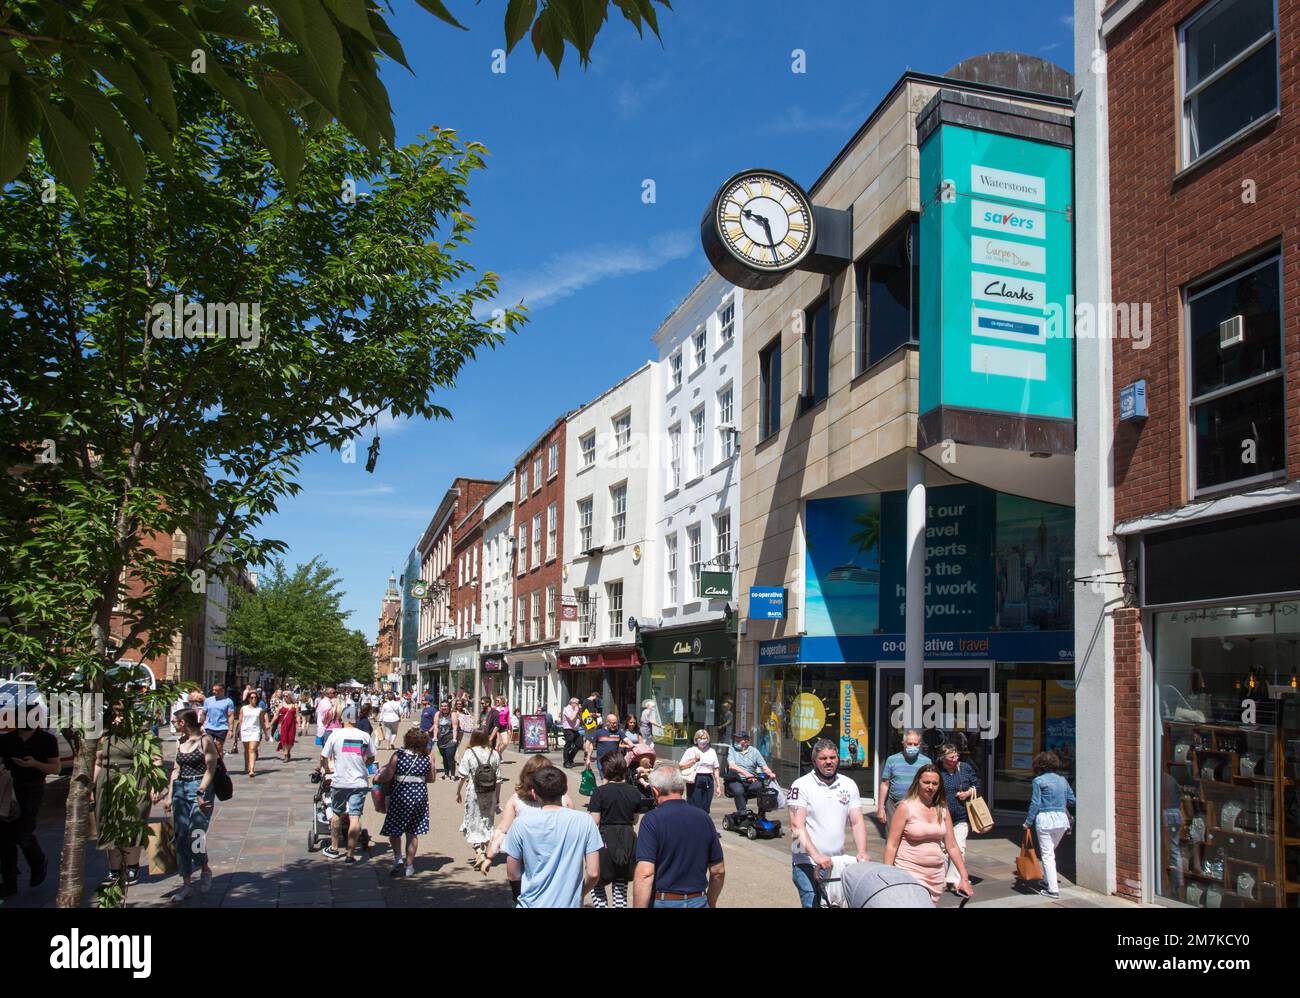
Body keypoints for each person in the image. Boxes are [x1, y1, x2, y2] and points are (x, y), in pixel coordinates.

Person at [502, 766, 603, 908]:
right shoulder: (585, 821)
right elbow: (593, 872)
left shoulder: (520, 824)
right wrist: (578, 894)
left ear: (534, 793)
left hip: (531, 902)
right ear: (564, 791)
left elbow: (513, 873)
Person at [788, 738, 869, 908]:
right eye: (823, 758)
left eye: (832, 757)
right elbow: (796, 827)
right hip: (806, 861)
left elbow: (857, 822)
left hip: (835, 862)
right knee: (812, 903)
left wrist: (862, 851)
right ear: (814, 761)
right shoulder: (800, 785)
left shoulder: (849, 784)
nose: (828, 762)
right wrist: (815, 855)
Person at [632, 766, 725, 908]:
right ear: (682, 789)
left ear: (655, 791)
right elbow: (718, 871)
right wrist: (711, 902)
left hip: (663, 900)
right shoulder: (704, 818)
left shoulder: (652, 820)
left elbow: (645, 874)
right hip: (698, 899)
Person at [482, 754, 574, 898]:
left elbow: (502, 830)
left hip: (527, 856)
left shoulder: (516, 800)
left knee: (526, 891)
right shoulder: (564, 800)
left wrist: (489, 857)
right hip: (555, 855)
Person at [93, 708, 163, 890]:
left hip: (135, 783)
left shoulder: (144, 734)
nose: (117, 719)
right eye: (114, 716)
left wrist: (156, 785)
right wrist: (89, 788)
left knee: (132, 822)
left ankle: (132, 866)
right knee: (109, 824)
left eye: (121, 715)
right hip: (108, 785)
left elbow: (156, 759)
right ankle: (114, 870)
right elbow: (98, 762)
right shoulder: (104, 735)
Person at [884, 764, 973, 905]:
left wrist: (963, 876)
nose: (930, 787)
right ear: (917, 782)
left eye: (934, 783)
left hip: (936, 876)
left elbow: (952, 845)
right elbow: (892, 845)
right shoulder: (905, 807)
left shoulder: (942, 808)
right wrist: (887, 875)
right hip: (909, 872)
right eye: (926, 782)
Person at [0, 708, 59, 897]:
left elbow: (56, 768)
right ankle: (9, 882)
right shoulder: (6, 739)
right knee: (5, 837)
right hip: (8, 788)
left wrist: (34, 764)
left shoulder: (47, 740)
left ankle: (38, 861)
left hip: (32, 788)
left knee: (23, 834)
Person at [164, 708, 220, 901]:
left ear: (183, 723)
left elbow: (211, 769)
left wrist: (200, 791)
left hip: (199, 787)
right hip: (180, 787)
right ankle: (186, 883)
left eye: (174, 721)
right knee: (180, 836)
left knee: (196, 833)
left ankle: (204, 868)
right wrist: (170, 794)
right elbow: (176, 769)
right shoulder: (180, 742)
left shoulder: (205, 741)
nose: (172, 724)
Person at [319, 705, 375, 862]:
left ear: (342, 719)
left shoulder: (335, 735)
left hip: (340, 781)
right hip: (359, 782)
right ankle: (350, 855)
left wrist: (325, 769)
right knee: (355, 816)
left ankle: (335, 848)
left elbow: (323, 757)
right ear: (355, 719)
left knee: (336, 813)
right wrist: (364, 763)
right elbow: (371, 757)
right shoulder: (364, 736)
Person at [587, 753, 643, 908]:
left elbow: (595, 821)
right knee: (621, 885)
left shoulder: (600, 792)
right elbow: (635, 819)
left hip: (604, 838)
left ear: (605, 771)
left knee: (598, 883)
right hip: (627, 838)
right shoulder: (633, 792)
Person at [379, 727, 433, 878]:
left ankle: (398, 859)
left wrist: (377, 778)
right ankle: (410, 866)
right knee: (412, 832)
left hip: (400, 796)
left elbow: (388, 775)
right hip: (420, 797)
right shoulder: (425, 758)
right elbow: (431, 778)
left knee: (394, 830)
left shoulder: (399, 755)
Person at [1025, 751, 1075, 899]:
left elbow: (1035, 803)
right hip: (1061, 821)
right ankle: (1047, 881)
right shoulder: (1062, 780)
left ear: (1039, 765)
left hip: (1045, 820)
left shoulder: (1038, 781)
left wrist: (1028, 822)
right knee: (1050, 852)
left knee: (1047, 855)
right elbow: (1072, 800)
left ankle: (1053, 889)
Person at [937, 743, 981, 891]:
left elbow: (977, 785)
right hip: (942, 815)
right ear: (943, 758)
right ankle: (940, 878)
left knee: (959, 847)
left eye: (956, 755)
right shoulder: (937, 771)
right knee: (942, 849)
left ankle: (954, 879)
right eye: (951, 757)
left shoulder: (965, 768)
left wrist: (967, 793)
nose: (955, 759)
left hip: (961, 815)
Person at [456, 730, 500, 870]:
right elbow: (498, 779)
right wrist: (497, 798)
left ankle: (479, 851)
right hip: (490, 792)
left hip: (474, 791)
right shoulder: (494, 753)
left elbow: (462, 775)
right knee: (487, 821)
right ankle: (486, 852)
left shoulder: (469, 753)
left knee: (472, 821)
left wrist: (458, 792)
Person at [877, 729, 931, 826]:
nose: (912, 747)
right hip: (894, 805)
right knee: (892, 837)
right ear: (903, 743)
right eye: (909, 744)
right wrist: (881, 808)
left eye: (915, 744)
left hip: (918, 806)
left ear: (920, 744)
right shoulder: (892, 760)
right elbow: (885, 784)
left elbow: (930, 785)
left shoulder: (926, 762)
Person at [724, 730, 776, 819]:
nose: (736, 740)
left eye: (739, 739)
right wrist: (746, 773)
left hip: (751, 780)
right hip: (735, 779)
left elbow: (764, 766)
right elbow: (732, 766)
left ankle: (761, 813)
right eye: (736, 738)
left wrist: (770, 773)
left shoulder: (754, 751)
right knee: (739, 791)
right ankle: (742, 814)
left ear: (746, 741)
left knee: (762, 788)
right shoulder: (732, 749)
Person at [678, 729, 723, 813]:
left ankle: (704, 824)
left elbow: (716, 768)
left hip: (708, 779)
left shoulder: (712, 751)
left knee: (706, 806)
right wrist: (694, 760)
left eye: (705, 738)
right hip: (695, 778)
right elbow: (681, 766)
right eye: (701, 738)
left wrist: (718, 786)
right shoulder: (691, 750)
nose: (703, 741)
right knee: (695, 806)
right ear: (696, 740)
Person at [583, 713, 626, 788]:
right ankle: (604, 795)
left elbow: (628, 741)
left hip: (614, 761)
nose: (615, 725)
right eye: (613, 723)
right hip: (602, 761)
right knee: (605, 779)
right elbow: (590, 744)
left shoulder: (619, 732)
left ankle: (607, 794)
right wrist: (588, 758)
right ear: (607, 723)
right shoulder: (599, 732)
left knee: (614, 780)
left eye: (616, 723)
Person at [236, 689, 270, 778]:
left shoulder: (259, 710)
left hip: (255, 731)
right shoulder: (243, 708)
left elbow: (262, 722)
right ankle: (246, 766)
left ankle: (251, 769)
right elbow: (240, 721)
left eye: (255, 697)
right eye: (251, 697)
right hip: (245, 731)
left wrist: (266, 734)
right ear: (248, 699)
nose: (253, 699)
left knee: (252, 749)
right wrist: (237, 733)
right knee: (246, 750)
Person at [201, 683, 235, 753]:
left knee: (219, 746)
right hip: (209, 727)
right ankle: (209, 762)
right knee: (208, 745)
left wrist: (231, 730)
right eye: (213, 690)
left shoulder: (228, 701)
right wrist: (200, 725)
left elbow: (230, 716)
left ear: (222, 691)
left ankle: (219, 762)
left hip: (222, 727)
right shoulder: (208, 700)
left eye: (216, 690)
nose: (214, 692)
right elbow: (203, 713)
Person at [431, 700, 459, 780]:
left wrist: (454, 738)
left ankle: (452, 775)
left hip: (450, 738)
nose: (443, 708)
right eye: (442, 706)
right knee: (444, 757)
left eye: (445, 706)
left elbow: (455, 727)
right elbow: (436, 726)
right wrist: (435, 736)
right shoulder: (438, 714)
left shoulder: (452, 714)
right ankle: (446, 774)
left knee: (450, 757)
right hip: (441, 739)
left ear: (449, 707)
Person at [561, 697, 582, 768]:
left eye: (578, 703)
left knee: (579, 744)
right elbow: (571, 718)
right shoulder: (567, 709)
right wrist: (576, 711)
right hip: (568, 729)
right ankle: (566, 762)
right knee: (568, 745)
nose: (578, 705)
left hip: (575, 730)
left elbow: (581, 718)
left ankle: (570, 758)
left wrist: (580, 711)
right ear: (572, 703)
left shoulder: (576, 709)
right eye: (577, 703)